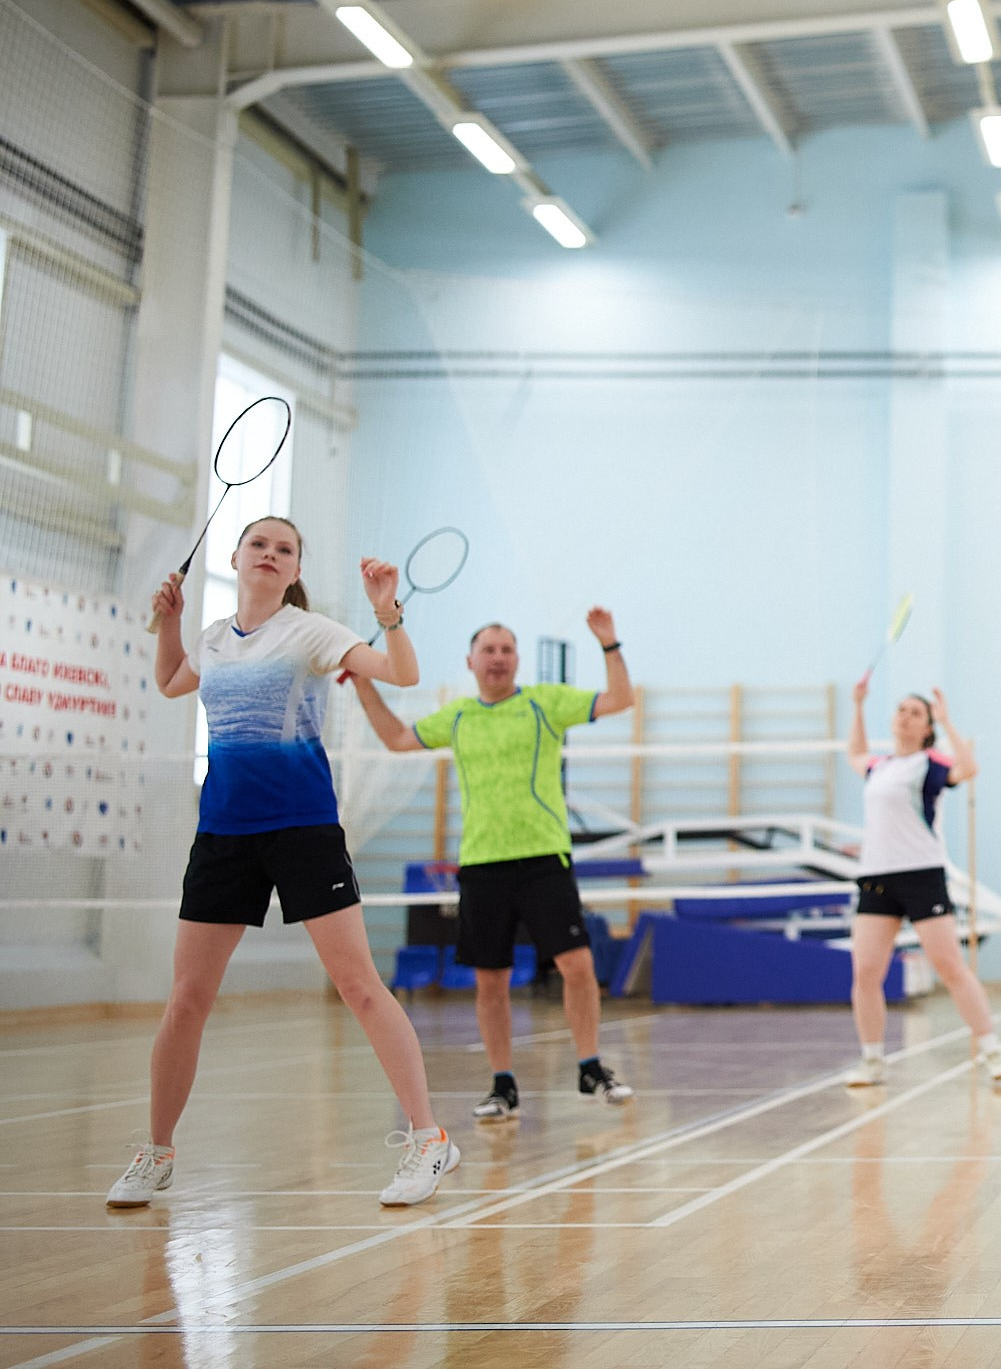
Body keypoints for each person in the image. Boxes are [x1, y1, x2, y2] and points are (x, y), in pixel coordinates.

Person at [115, 517, 457, 1210]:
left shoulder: (311, 631)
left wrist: (387, 611)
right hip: (223, 834)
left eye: (285, 549)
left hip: (302, 829)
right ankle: (155, 1153)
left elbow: (403, 672)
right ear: (236, 558)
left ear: (294, 567)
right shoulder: (213, 640)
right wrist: (169, 623)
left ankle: (429, 1139)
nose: (270, 555)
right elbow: (172, 682)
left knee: (359, 985)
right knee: (186, 999)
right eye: (259, 545)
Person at [349, 612, 636, 1120]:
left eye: (507, 649)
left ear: (517, 659)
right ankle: (502, 1084)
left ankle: (590, 1065)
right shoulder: (458, 716)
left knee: (579, 965)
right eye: (489, 650)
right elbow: (396, 738)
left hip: (544, 857)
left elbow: (619, 700)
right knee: (490, 980)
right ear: (471, 661)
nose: (498, 658)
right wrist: (364, 683)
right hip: (482, 865)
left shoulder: (545, 704)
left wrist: (609, 645)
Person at [843, 683, 1001, 1086]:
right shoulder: (879, 767)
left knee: (950, 965)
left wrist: (948, 721)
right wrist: (858, 705)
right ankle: (872, 1060)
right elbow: (854, 753)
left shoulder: (930, 764)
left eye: (915, 712)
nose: (904, 716)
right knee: (866, 972)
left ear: (926, 726)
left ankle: (991, 1050)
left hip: (922, 874)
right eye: (900, 709)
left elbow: (968, 769)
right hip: (876, 877)